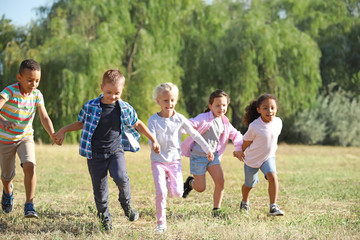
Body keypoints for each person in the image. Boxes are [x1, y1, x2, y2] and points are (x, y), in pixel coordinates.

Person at [54, 69, 160, 230]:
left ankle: (127, 204)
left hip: (115, 151)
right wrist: (63, 130)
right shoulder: (90, 106)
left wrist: (153, 139)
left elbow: (137, 124)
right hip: (94, 155)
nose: (112, 96)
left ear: (122, 89)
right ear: (102, 87)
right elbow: (80, 123)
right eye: (109, 92)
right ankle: (105, 219)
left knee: (121, 177)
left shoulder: (124, 108)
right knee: (100, 190)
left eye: (117, 92)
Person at [148, 83, 214, 233]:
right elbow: (150, 136)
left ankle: (168, 181)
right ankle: (161, 224)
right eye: (165, 100)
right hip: (158, 161)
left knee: (177, 193)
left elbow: (195, 134)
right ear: (158, 101)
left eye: (172, 100)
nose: (169, 104)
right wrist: (154, 143)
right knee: (161, 192)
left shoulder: (179, 119)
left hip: (174, 161)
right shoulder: (153, 119)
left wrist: (207, 149)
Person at [0, 59, 57, 218]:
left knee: (30, 165)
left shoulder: (37, 95)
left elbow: (44, 116)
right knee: (6, 175)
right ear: (19, 78)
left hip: (25, 137)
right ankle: (7, 190)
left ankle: (29, 204)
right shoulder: (10, 91)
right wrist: (2, 121)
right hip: (5, 140)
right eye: (30, 80)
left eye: (37, 80)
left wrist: (52, 133)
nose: (34, 84)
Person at [181, 89, 244, 216]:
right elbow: (191, 123)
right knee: (201, 188)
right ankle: (190, 183)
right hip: (198, 157)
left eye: (224, 105)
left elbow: (236, 134)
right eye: (217, 105)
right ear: (210, 106)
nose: (221, 108)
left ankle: (216, 210)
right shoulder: (204, 118)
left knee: (220, 182)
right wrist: (180, 127)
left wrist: (238, 148)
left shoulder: (225, 122)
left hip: (213, 157)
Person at [236, 93, 284, 216]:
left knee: (273, 177)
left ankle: (273, 206)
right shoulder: (254, 126)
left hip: (268, 158)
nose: (269, 111)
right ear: (259, 110)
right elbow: (246, 142)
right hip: (252, 160)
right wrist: (240, 151)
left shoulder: (278, 122)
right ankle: (244, 202)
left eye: (272, 108)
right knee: (249, 185)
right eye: (265, 108)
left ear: (276, 109)